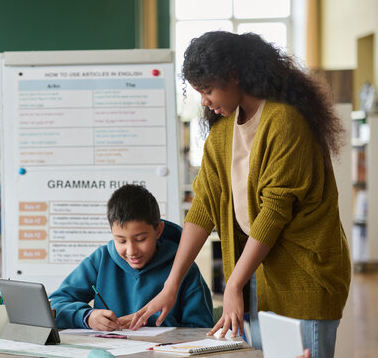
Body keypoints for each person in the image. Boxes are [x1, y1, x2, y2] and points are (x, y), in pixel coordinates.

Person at [130, 31, 351, 358]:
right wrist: (170, 286)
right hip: (257, 275)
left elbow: (274, 213)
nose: (204, 101)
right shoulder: (222, 133)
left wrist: (232, 284)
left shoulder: (285, 122)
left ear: (234, 76)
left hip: (305, 275)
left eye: (207, 90)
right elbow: (202, 208)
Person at [49, 184, 214, 331]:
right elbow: (55, 304)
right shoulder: (101, 259)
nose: (131, 251)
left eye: (141, 239)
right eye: (120, 240)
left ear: (158, 230)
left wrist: (147, 320)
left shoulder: (183, 268)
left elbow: (201, 329)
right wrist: (86, 317)